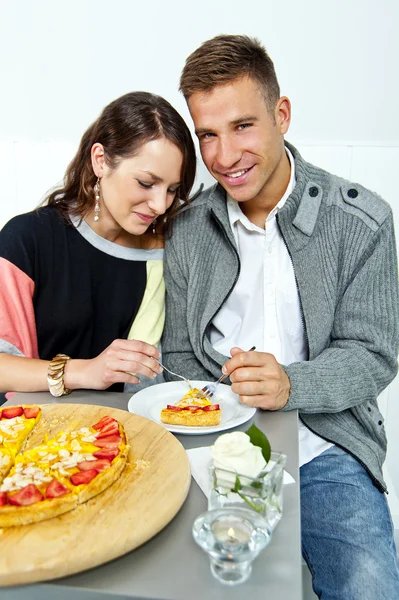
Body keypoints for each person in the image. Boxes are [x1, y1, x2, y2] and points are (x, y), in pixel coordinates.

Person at [162, 34, 399, 599]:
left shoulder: (363, 221)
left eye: (242, 126)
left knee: (370, 589)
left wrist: (292, 383)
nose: (223, 157)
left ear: (282, 114)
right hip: (211, 446)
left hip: (326, 445)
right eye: (208, 135)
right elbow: (175, 354)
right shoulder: (187, 228)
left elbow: (375, 354)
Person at [0, 91, 196, 398]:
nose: (159, 204)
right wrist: (85, 371)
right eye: (146, 183)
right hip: (30, 435)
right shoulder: (26, 239)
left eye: (172, 189)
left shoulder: (167, 256)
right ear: (100, 161)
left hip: (124, 434)